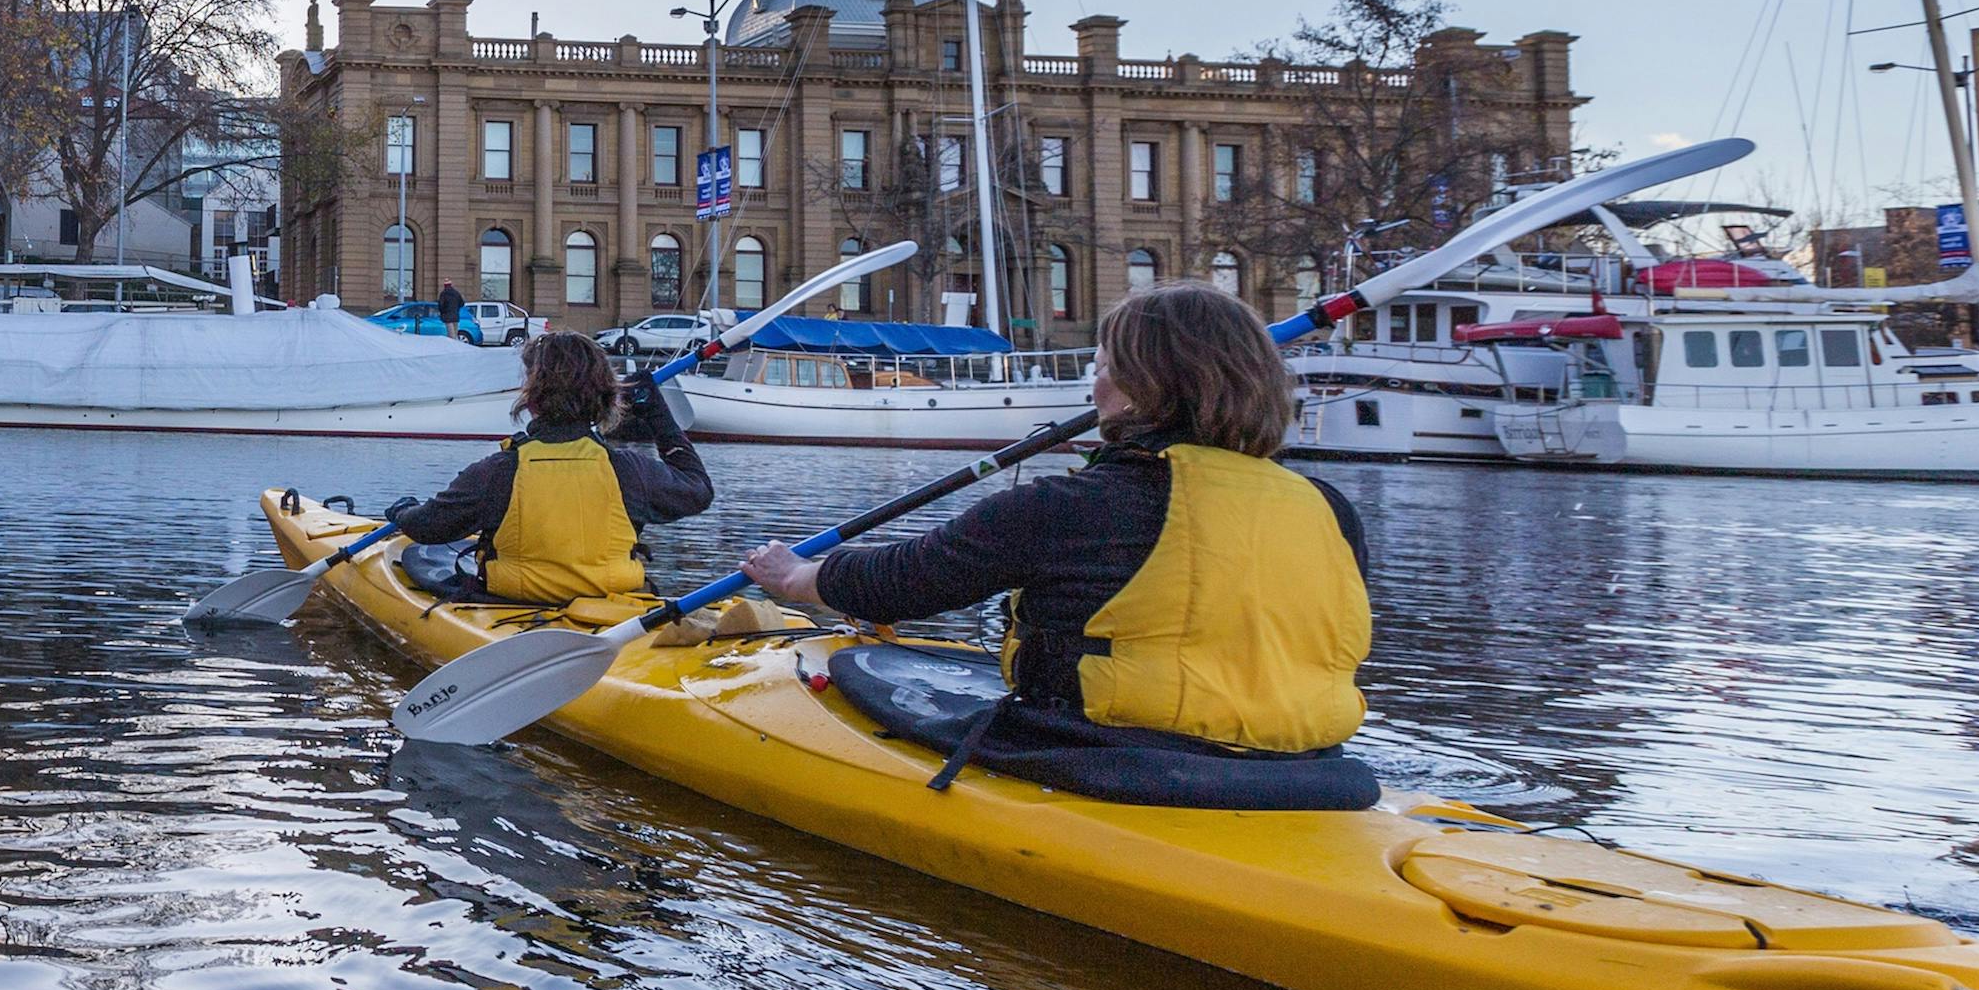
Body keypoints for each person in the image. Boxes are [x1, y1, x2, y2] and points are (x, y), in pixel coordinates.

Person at [739, 284, 1372, 755]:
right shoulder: (1328, 507)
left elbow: (901, 584)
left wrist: (794, 577)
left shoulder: (1074, 506)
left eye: (1103, 367)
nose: (1095, 386)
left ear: (1139, 386)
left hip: (1115, 756)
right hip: (1312, 766)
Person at [386, 329, 712, 606]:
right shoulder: (629, 471)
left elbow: (427, 528)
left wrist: (403, 512)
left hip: (513, 607)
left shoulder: (499, 472)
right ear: (604, 397)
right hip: (614, 608)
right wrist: (658, 413)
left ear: (531, 397)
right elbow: (698, 488)